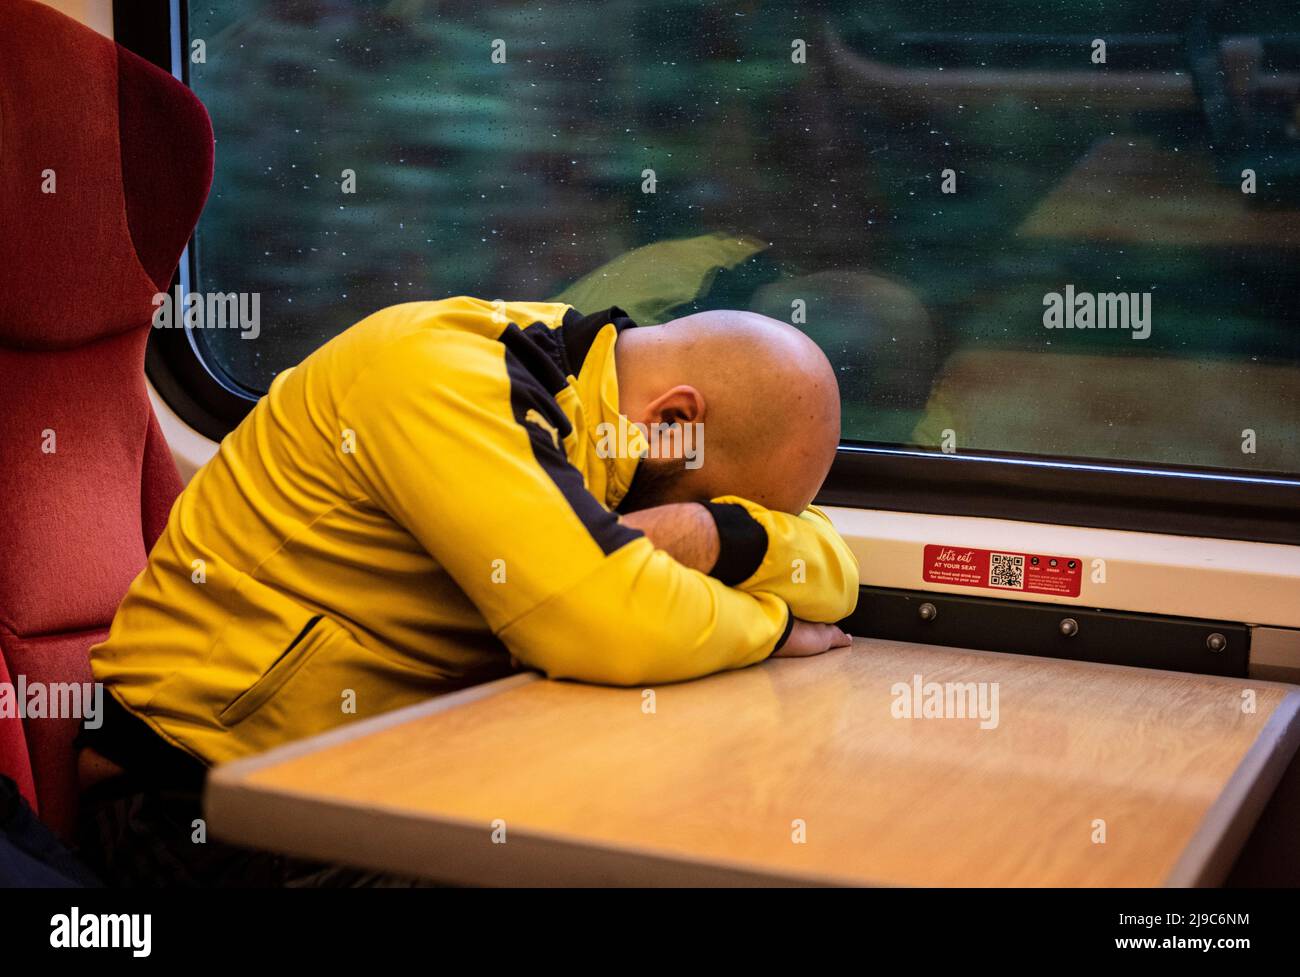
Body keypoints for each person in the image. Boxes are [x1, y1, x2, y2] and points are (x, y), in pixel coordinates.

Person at [77, 296, 859, 885]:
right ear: (674, 419)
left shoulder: (597, 394)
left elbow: (836, 567)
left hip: (378, 774)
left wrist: (718, 534)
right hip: (190, 798)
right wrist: (775, 626)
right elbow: (613, 623)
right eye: (729, 503)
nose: (728, 526)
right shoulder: (455, 380)